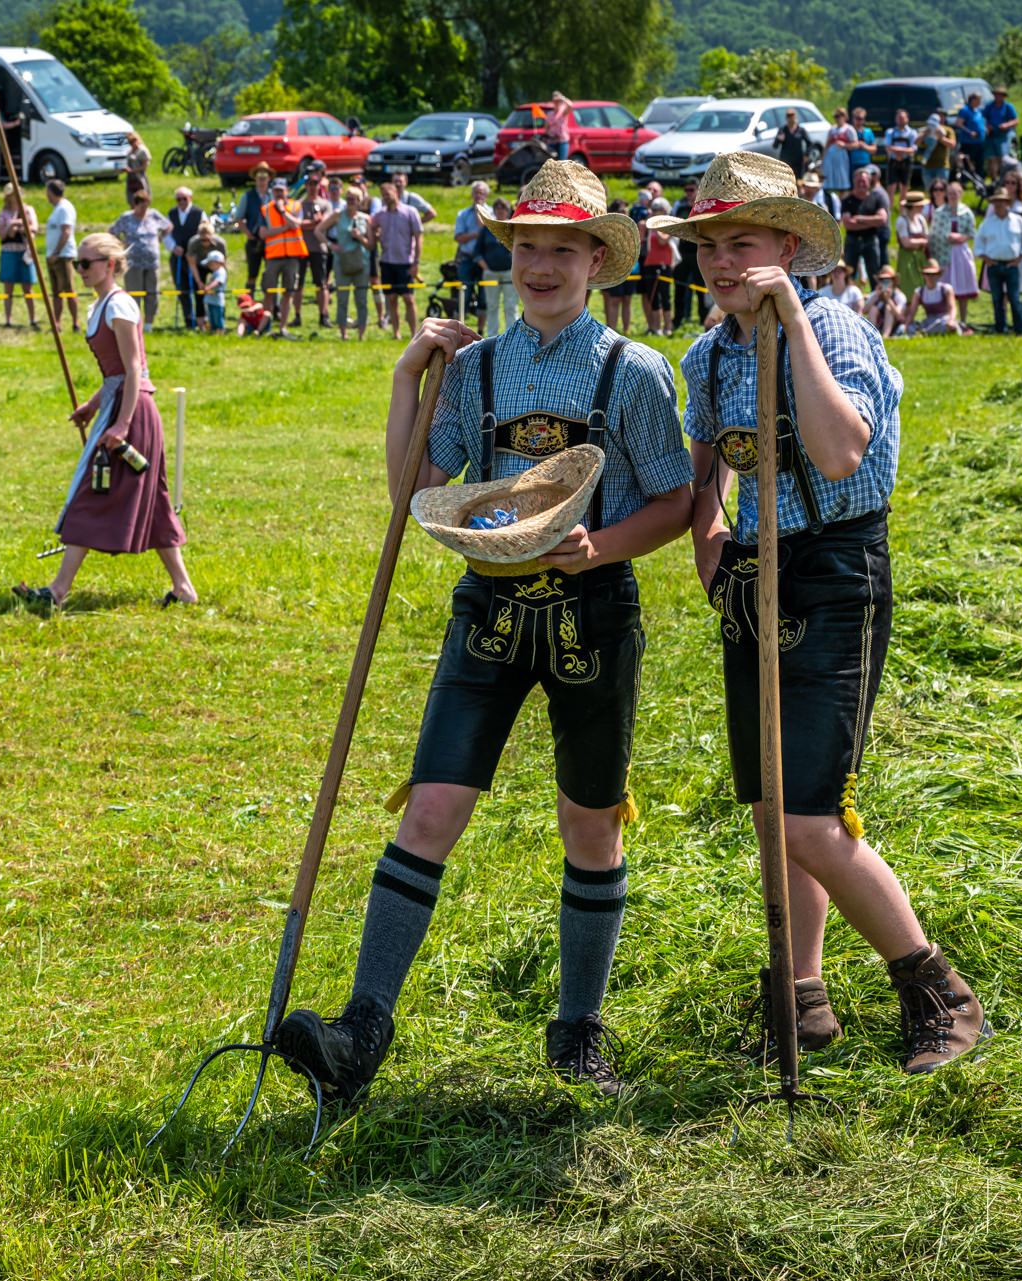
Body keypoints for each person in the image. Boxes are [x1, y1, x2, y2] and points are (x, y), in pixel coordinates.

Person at [275, 158, 693, 1102]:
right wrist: (405, 379)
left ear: (597, 261)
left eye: (562, 251)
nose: (541, 266)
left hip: (593, 615)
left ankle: (578, 1030)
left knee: (591, 824)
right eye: (526, 248)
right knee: (430, 809)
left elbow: (675, 500)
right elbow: (417, 494)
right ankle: (359, 1033)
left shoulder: (635, 371)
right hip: (489, 612)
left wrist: (600, 546)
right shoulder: (474, 369)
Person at [650, 149, 989, 1075]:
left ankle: (939, 992)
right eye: (709, 245)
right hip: (755, 577)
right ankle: (801, 1000)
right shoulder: (708, 355)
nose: (723, 262)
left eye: (744, 243)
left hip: (838, 568)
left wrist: (793, 320)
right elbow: (706, 476)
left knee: (812, 815)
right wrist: (712, 551)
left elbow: (841, 454)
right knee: (773, 808)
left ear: (790, 249)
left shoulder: (834, 327)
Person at [13, 231, 194, 610]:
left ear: (109, 264)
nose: (79, 269)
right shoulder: (100, 306)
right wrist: (92, 406)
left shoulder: (119, 305)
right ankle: (184, 590)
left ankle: (57, 592)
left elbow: (134, 368)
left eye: (85, 263)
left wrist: (122, 425)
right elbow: (115, 375)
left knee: (92, 492)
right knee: (154, 502)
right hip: (119, 403)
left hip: (132, 412)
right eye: (76, 263)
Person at [110, 186, 173, 332]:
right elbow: (112, 231)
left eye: (147, 206)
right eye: (142, 207)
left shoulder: (154, 215)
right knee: (134, 294)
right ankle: (135, 324)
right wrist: (121, 244)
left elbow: (168, 226)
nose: (145, 210)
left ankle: (149, 325)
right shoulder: (126, 217)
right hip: (133, 263)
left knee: (152, 293)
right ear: (135, 205)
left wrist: (160, 238)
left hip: (152, 262)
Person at [256, 178, 309, 335]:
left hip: (292, 256)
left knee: (288, 292)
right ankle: (267, 327)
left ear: (287, 191)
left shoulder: (295, 206)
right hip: (273, 256)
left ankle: (283, 327)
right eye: (276, 191)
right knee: (269, 291)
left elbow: (296, 224)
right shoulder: (265, 209)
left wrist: (283, 211)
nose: (279, 194)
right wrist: (284, 228)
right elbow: (263, 233)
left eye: (281, 190)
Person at [973, 189, 1022, 336]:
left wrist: (1018, 259)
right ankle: (1000, 328)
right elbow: (978, 245)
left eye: (1002, 201)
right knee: (997, 299)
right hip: (994, 265)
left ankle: (1019, 329)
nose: (999, 204)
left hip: (1012, 265)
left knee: (1015, 299)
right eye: (996, 202)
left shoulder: (1018, 221)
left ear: (1007, 203)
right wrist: (986, 259)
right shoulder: (987, 223)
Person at [373, 180, 422, 339]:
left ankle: (414, 334)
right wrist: (374, 236)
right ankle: (396, 333)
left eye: (387, 194)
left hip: (406, 262)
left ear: (395, 192)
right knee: (392, 299)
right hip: (387, 262)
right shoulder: (380, 215)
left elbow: (418, 236)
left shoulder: (410, 212)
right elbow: (370, 226)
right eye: (383, 196)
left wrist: (416, 261)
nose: (385, 198)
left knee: (409, 299)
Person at [330, 181, 373, 340]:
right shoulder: (337, 215)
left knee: (361, 299)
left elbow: (371, 245)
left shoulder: (366, 219)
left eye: (353, 199)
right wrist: (331, 245)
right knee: (342, 299)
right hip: (342, 262)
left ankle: (361, 334)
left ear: (359, 201)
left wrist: (360, 237)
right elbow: (318, 230)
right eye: (348, 198)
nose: (350, 202)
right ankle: (344, 334)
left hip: (361, 263)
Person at [932, 181, 978, 329]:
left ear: (960, 194)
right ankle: (947, 320)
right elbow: (933, 233)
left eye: (955, 193)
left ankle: (963, 320)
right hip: (944, 252)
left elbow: (972, 233)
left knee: (962, 286)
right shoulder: (939, 212)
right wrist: (945, 237)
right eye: (950, 193)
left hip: (960, 253)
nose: (952, 196)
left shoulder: (966, 212)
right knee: (946, 287)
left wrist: (961, 237)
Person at [0, 190, 41, 327]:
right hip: (8, 252)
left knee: (28, 287)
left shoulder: (28, 210)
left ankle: (32, 319)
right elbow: (2, 234)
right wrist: (11, 226)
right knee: (8, 287)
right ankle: (8, 320)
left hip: (25, 251)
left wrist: (20, 225)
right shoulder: (3, 213)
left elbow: (34, 228)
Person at [840, 166, 890, 287]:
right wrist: (872, 221)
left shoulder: (877, 198)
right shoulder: (847, 201)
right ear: (854, 182)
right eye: (858, 181)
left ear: (869, 182)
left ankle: (876, 296)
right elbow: (848, 224)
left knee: (874, 273)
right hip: (852, 241)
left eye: (864, 181)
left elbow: (882, 220)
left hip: (871, 240)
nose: (861, 184)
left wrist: (860, 219)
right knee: (849, 274)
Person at [300, 173, 338, 328]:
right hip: (301, 248)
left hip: (319, 249)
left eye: (315, 184)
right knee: (298, 285)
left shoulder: (325, 204)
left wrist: (308, 224)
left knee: (321, 284)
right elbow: (296, 224)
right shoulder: (299, 204)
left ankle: (324, 315)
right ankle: (297, 316)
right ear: (306, 186)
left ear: (319, 186)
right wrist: (313, 223)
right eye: (309, 184)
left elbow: (324, 224)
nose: (312, 187)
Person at [166, 185, 205, 330]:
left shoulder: (199, 213)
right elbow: (166, 234)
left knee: (198, 288)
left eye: (184, 198)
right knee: (182, 289)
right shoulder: (171, 213)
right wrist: (173, 247)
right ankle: (188, 319)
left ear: (190, 198)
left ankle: (201, 319)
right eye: (178, 199)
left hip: (195, 257)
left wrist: (194, 249)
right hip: (178, 256)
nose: (182, 202)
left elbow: (205, 232)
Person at [476, 196, 517, 337]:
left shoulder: (513, 227)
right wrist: (485, 267)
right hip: (491, 273)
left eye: (503, 208)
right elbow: (477, 251)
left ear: (508, 210)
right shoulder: (487, 228)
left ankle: (512, 336)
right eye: (497, 208)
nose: (500, 211)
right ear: (493, 210)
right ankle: (492, 336)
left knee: (510, 305)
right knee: (492, 306)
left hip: (509, 273)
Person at [450, 181, 489, 328]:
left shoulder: (491, 213)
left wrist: (480, 215)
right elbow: (458, 237)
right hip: (467, 259)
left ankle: (481, 331)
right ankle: (459, 329)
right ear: (472, 194)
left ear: (486, 195)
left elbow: (490, 235)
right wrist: (477, 235)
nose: (479, 195)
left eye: (482, 193)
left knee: (484, 297)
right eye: (476, 192)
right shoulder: (463, 214)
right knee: (463, 295)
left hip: (485, 261)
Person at [44, 179, 80, 332]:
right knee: (56, 292)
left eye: (47, 192)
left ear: (51, 192)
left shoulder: (65, 208)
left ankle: (75, 324)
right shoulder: (57, 209)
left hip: (63, 255)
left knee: (68, 290)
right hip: (53, 256)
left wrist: (57, 252)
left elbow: (66, 231)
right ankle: (57, 324)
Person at [233, 164, 275, 295]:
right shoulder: (247, 196)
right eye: (259, 175)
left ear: (269, 178)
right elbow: (238, 218)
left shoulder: (274, 195)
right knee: (252, 274)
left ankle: (273, 302)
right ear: (255, 178)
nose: (262, 177)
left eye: (264, 174)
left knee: (272, 273)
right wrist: (249, 234)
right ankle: (249, 301)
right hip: (254, 240)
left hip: (271, 239)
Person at [601, 198, 637, 334]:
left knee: (627, 299)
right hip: (614, 267)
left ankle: (626, 329)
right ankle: (612, 330)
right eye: (622, 210)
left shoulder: (631, 226)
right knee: (614, 300)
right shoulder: (608, 227)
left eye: (627, 210)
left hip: (630, 268)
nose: (625, 212)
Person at [671, 178, 703, 329]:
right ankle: (677, 321)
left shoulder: (703, 206)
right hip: (682, 253)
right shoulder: (680, 206)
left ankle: (704, 320)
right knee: (679, 289)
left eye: (691, 190)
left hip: (699, 252)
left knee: (701, 289)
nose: (688, 193)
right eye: (686, 190)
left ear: (698, 190)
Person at [641, 197, 676, 334]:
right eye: (653, 209)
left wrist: (654, 226)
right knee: (653, 297)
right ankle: (657, 328)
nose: (654, 211)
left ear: (664, 210)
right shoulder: (649, 225)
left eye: (658, 209)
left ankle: (668, 327)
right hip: (650, 262)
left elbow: (663, 241)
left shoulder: (667, 225)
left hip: (664, 263)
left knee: (665, 296)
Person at [904, 260, 960, 335]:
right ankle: (925, 331)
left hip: (943, 319)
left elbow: (952, 307)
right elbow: (912, 313)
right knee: (912, 327)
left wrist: (951, 320)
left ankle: (925, 332)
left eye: (933, 274)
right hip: (929, 321)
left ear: (938, 275)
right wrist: (907, 326)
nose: (930, 277)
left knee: (943, 325)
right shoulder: (919, 292)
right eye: (928, 274)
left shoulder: (946, 289)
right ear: (924, 275)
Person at [893, 190, 929, 301]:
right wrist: (922, 242)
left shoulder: (921, 219)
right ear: (914, 206)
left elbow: (927, 238)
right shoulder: (902, 221)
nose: (923, 207)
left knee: (922, 286)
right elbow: (906, 243)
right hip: (907, 258)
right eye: (921, 205)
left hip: (920, 257)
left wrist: (918, 242)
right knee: (908, 287)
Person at [984, 87, 1018, 180]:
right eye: (996, 95)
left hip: (1003, 135)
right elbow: (983, 118)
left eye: (1000, 95)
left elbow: (1016, 121)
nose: (998, 97)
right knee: (991, 158)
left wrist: (1006, 125)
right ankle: (994, 180)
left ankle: (1004, 178)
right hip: (991, 135)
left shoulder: (1008, 107)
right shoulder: (989, 106)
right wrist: (987, 127)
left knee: (1002, 159)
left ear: (1003, 96)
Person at [882, 109, 918, 199]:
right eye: (898, 118)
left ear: (907, 119)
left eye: (902, 118)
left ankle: (903, 207)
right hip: (893, 161)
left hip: (906, 162)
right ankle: (889, 207)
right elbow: (887, 147)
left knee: (904, 187)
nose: (900, 120)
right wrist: (903, 151)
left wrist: (898, 150)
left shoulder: (912, 132)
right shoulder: (890, 132)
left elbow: (913, 149)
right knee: (891, 187)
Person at [915, 114, 953, 193]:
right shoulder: (927, 128)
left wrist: (941, 138)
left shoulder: (948, 130)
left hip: (942, 167)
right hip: (927, 167)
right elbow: (915, 143)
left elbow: (952, 145)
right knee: (930, 191)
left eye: (943, 116)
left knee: (942, 192)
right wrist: (924, 134)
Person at [863, 270, 905, 338]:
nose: (884, 282)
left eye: (887, 280)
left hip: (895, 326)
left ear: (893, 281)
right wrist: (876, 296)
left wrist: (888, 299)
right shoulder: (875, 294)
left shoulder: (899, 295)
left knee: (888, 308)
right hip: (879, 325)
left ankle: (885, 336)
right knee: (873, 308)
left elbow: (899, 317)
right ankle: (873, 335)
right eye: (881, 280)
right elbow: (864, 311)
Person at [954, 93, 986, 182]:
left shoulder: (978, 110)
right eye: (978, 100)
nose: (979, 102)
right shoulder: (965, 110)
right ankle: (963, 181)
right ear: (972, 100)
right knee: (967, 163)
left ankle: (980, 181)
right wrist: (969, 132)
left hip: (979, 141)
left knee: (980, 163)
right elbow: (958, 124)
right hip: (969, 142)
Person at [822, 109, 854, 195]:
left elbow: (855, 144)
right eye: (835, 116)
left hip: (842, 158)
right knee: (828, 181)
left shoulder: (849, 129)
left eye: (839, 116)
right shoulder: (832, 129)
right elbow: (827, 144)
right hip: (830, 158)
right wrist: (823, 159)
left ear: (844, 117)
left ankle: (842, 200)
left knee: (842, 182)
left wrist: (844, 145)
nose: (837, 118)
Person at [775, 107, 810, 179]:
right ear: (786, 119)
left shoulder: (801, 130)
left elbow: (809, 143)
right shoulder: (783, 130)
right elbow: (775, 146)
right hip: (786, 161)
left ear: (796, 118)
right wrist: (779, 139)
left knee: (798, 180)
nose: (791, 120)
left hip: (798, 161)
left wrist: (806, 154)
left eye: (792, 117)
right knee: (786, 179)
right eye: (789, 118)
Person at [199, 249, 228, 333]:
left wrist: (208, 288)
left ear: (218, 262)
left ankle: (221, 331)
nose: (209, 266)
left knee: (218, 318)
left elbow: (217, 282)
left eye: (211, 264)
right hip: (211, 300)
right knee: (211, 318)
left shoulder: (221, 272)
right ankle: (214, 331)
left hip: (217, 301)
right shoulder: (215, 272)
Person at [123, 131, 151, 203]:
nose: (131, 143)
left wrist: (132, 171)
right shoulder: (130, 151)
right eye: (130, 142)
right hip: (130, 179)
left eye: (133, 141)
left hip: (139, 178)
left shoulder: (142, 150)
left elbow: (144, 167)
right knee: (132, 201)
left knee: (142, 200)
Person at [544, 90, 573, 160]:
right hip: (552, 141)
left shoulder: (563, 111)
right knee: (553, 162)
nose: (557, 102)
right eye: (555, 101)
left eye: (558, 101)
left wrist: (562, 98)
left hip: (562, 141)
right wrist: (551, 135)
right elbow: (546, 128)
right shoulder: (550, 114)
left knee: (562, 161)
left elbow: (570, 105)